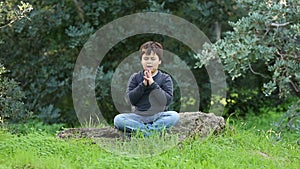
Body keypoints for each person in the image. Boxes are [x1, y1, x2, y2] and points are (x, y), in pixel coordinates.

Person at [114, 41, 180, 137]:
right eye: (146, 58)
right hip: (138, 117)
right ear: (141, 60)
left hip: (158, 116)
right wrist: (143, 84)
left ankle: (143, 132)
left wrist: (152, 84)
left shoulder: (165, 78)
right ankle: (151, 133)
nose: (149, 62)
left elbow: (167, 101)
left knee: (174, 116)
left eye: (153, 59)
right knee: (118, 119)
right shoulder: (135, 77)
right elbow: (130, 100)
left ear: (159, 61)